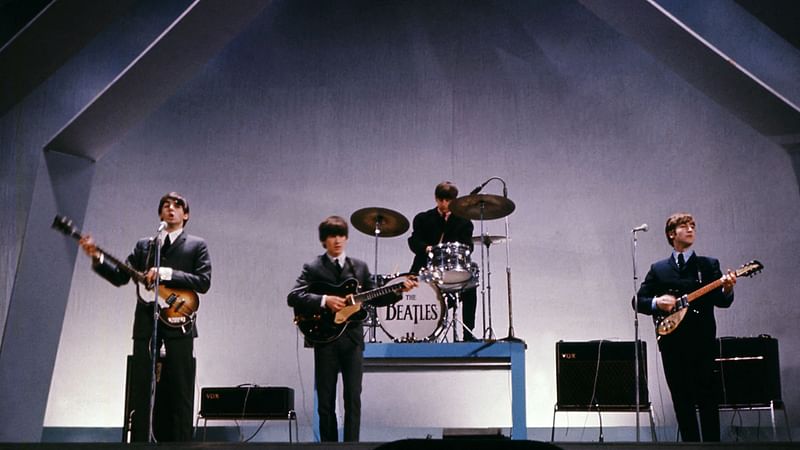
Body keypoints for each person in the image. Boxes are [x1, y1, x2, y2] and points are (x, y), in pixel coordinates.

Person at [79, 192, 211, 442]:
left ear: (186, 214)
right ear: (160, 214)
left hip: (178, 322)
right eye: (165, 205)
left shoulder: (197, 245)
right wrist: (97, 259)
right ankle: (140, 440)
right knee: (141, 385)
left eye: (177, 205)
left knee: (180, 386)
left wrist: (167, 273)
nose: (170, 208)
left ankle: (181, 442)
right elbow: (120, 276)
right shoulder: (145, 246)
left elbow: (203, 282)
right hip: (146, 320)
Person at [287, 216, 415, 442]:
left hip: (353, 340)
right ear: (323, 241)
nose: (337, 240)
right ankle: (328, 445)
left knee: (353, 399)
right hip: (325, 338)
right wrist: (325, 299)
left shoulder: (359, 267)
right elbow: (294, 296)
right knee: (325, 401)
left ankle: (352, 446)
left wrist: (397, 291)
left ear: (346, 238)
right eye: (331, 236)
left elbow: (375, 298)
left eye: (340, 235)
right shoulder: (314, 267)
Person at [635, 212, 735, 442]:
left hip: (703, 342)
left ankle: (712, 446)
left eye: (693, 226)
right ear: (672, 234)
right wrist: (657, 302)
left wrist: (727, 287)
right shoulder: (659, 269)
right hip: (672, 343)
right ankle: (690, 445)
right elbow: (637, 301)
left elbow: (722, 301)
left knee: (708, 399)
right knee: (682, 400)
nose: (690, 229)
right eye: (684, 226)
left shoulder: (708, 265)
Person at [408, 181, 478, 340]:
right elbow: (414, 241)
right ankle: (415, 334)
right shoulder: (423, 218)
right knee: (408, 287)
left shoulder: (464, 222)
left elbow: (468, 246)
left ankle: (468, 333)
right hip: (425, 266)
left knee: (471, 284)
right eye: (441, 200)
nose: (444, 204)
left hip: (451, 268)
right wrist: (426, 248)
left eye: (448, 200)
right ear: (435, 199)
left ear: (455, 200)